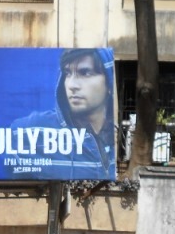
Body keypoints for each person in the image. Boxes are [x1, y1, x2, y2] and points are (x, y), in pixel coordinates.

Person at [9, 48, 116, 179]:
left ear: (110, 82)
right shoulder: (29, 132)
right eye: (67, 73)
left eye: (85, 73)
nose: (72, 85)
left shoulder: (122, 138)